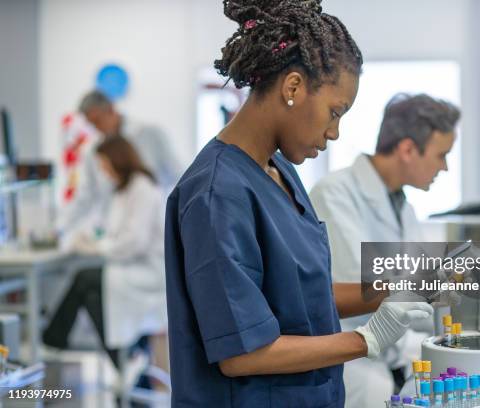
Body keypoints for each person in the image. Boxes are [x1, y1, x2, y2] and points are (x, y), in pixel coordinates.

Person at [164, 1, 433, 407]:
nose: (335, 132)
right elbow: (243, 354)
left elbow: (303, 297)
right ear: (292, 87)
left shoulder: (278, 170)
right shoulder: (217, 193)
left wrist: (394, 289)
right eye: (334, 112)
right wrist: (367, 339)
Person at [309, 93, 461, 407]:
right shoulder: (335, 194)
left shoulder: (404, 207)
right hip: (355, 368)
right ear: (407, 149)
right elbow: (366, 288)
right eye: (441, 154)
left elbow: (417, 298)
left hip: (394, 363)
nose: (444, 167)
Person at [44, 136, 167, 378]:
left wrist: (96, 248)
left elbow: (134, 241)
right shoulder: (121, 190)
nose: (103, 171)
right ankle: (125, 358)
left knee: (84, 279)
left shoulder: (142, 187)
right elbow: (111, 230)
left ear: (117, 159)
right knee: (90, 294)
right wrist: (91, 239)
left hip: (147, 273)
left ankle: (51, 340)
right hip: (127, 268)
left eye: (104, 164)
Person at [58, 90, 183, 238]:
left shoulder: (149, 134)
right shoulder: (92, 150)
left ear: (111, 109)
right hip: (113, 233)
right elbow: (85, 195)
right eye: (91, 124)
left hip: (152, 230)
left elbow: (179, 177)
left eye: (98, 121)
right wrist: (59, 228)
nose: (96, 128)